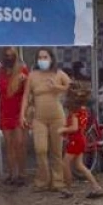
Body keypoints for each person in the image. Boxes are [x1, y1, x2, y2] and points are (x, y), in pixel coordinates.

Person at [21, 48, 71, 193]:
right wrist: (22, 114)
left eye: (45, 57)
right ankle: (43, 180)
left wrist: (57, 87)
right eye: (40, 58)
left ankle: (57, 181)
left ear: (51, 58)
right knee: (40, 149)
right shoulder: (32, 75)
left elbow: (71, 87)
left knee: (56, 150)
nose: (42, 60)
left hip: (57, 117)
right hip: (39, 118)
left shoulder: (59, 73)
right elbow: (25, 96)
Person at [60, 83, 103, 199]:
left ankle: (68, 188)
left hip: (75, 140)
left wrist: (63, 129)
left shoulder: (74, 113)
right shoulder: (83, 111)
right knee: (79, 165)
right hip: (81, 139)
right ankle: (96, 187)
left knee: (65, 163)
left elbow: (74, 128)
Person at [0, 47, 29, 186]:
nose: (9, 58)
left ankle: (22, 174)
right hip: (5, 110)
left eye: (11, 55)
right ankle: (11, 174)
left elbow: (28, 92)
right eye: (6, 55)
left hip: (19, 111)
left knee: (20, 143)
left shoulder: (23, 70)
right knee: (8, 144)